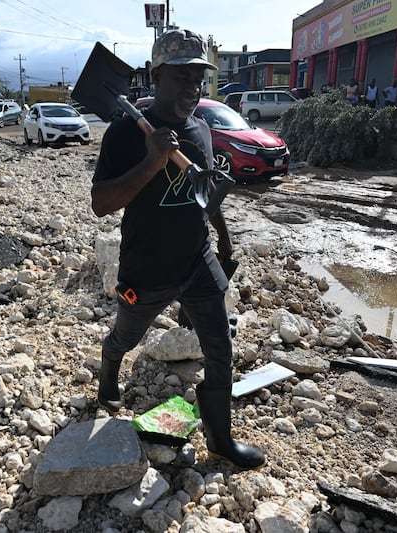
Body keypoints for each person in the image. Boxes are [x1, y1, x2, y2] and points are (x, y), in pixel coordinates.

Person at [91, 28, 265, 470]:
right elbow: (101, 205)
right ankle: (109, 370)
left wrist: (223, 237)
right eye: (181, 78)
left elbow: (204, 191)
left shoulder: (201, 129)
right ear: (157, 76)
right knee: (126, 336)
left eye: (197, 79)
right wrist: (152, 158)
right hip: (146, 267)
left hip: (197, 259)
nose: (192, 89)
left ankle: (221, 440)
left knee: (220, 344)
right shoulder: (126, 132)